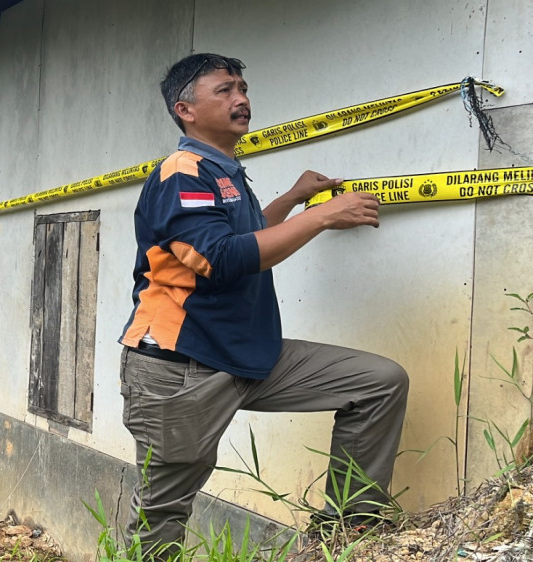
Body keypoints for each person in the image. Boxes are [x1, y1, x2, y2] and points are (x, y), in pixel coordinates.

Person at [118, 53, 409, 557]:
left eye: (243, 87)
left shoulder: (224, 171)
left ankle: (345, 529)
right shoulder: (181, 173)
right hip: (180, 366)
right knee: (162, 514)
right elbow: (220, 258)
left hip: (248, 352)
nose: (242, 98)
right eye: (225, 90)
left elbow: (245, 235)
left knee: (377, 383)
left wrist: (295, 197)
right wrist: (322, 218)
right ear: (185, 109)